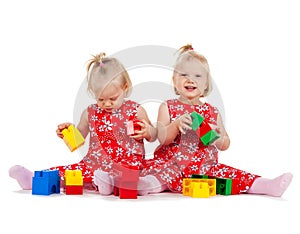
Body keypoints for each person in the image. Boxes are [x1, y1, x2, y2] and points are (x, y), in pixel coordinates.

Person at [139, 44, 293, 197]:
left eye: (197, 76)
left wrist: (217, 137)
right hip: (172, 164)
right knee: (160, 174)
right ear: (174, 80)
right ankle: (147, 185)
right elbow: (163, 138)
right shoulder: (168, 106)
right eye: (184, 75)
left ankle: (265, 185)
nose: (190, 80)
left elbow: (225, 143)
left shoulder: (212, 112)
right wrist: (176, 124)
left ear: (206, 84)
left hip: (204, 167)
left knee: (229, 174)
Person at [9, 52, 157, 195]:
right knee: (72, 172)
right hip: (95, 164)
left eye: (112, 98)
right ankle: (32, 179)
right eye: (100, 99)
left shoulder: (136, 110)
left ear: (125, 88)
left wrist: (147, 131)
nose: (106, 103)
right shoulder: (90, 112)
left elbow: (153, 136)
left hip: (127, 166)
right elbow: (79, 137)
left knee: (130, 176)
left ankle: (109, 183)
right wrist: (68, 132)